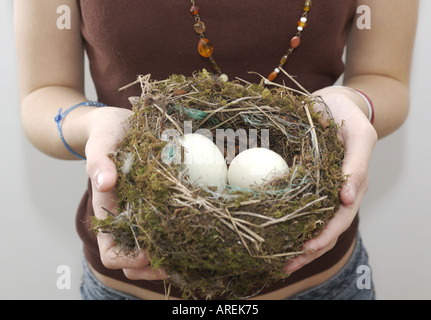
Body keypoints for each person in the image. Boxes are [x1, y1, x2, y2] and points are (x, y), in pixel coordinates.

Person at [14, 0, 418, 300]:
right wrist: (92, 125)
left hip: (321, 285)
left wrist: (355, 104)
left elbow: (385, 78)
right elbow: (42, 94)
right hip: (130, 286)